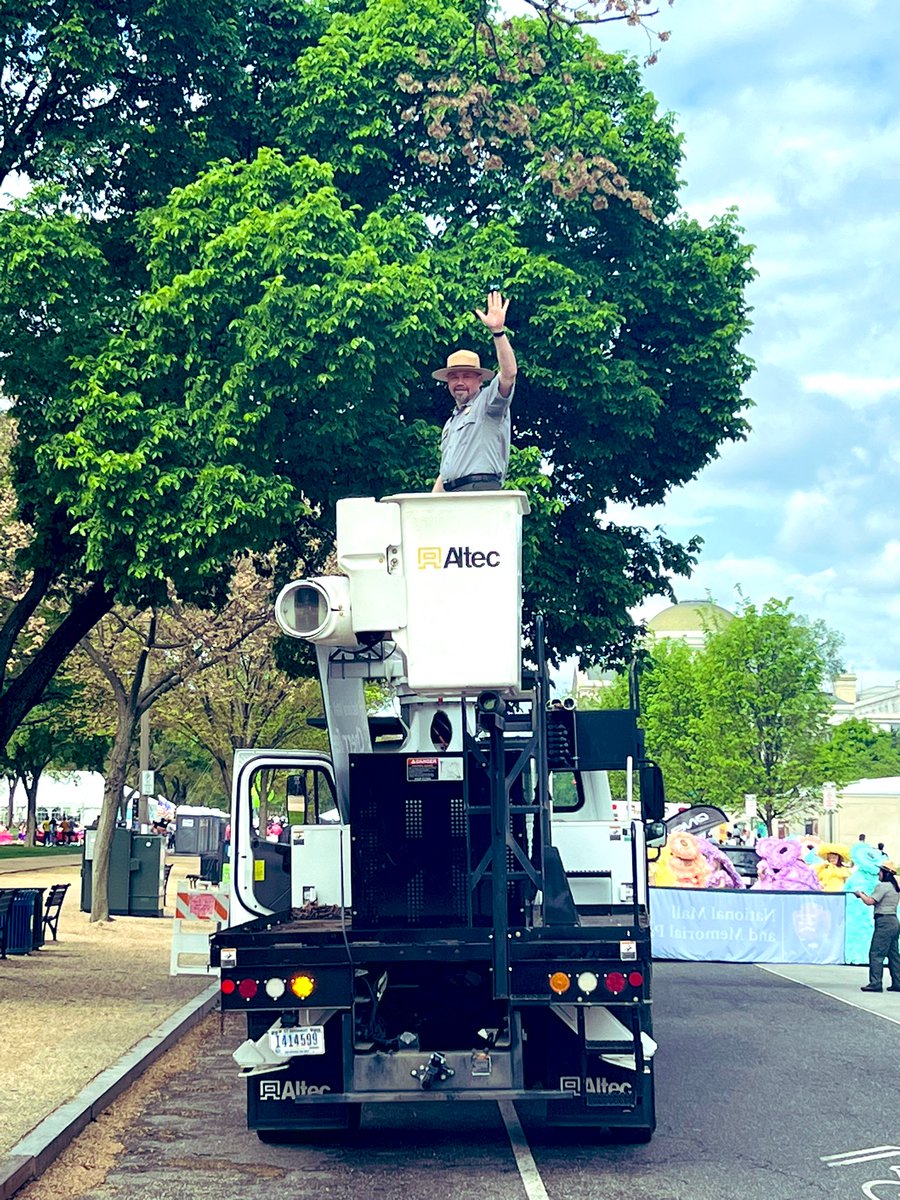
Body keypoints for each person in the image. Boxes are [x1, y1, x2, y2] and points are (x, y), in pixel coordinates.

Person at [431, 291, 517, 493]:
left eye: (466, 376)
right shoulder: (451, 422)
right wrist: (428, 507)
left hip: (479, 490)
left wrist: (498, 332)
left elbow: (509, 374)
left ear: (480, 379)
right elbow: (447, 472)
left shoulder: (488, 403)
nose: (460, 382)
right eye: (454, 376)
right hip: (454, 495)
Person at [853, 860, 900, 993]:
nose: (878, 874)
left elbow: (869, 902)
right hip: (894, 921)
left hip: (884, 922)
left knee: (876, 953)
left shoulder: (883, 886)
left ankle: (875, 983)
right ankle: (898, 982)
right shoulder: (895, 887)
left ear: (885, 873)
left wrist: (861, 894)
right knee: (894, 955)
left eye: (880, 871)